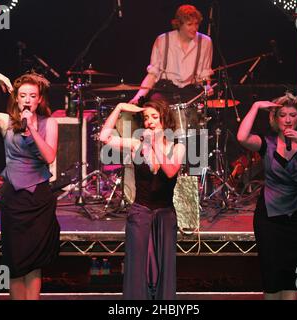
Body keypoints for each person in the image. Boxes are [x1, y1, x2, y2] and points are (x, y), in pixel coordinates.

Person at [0, 72, 60, 300]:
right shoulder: (4, 121)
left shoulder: (50, 123)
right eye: (23, 95)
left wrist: (32, 130)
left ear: (39, 99)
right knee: (16, 261)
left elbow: (49, 157)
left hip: (39, 198)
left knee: (34, 262)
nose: (27, 99)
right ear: (16, 98)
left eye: (32, 95)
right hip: (14, 199)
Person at [236, 92, 297, 300]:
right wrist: (256, 105)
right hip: (270, 215)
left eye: (292, 115)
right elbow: (242, 137)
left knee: (296, 271)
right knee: (272, 269)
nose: (287, 119)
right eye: (282, 115)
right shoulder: (266, 142)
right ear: (276, 119)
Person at [99, 99, 185, 299]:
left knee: (164, 268)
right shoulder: (136, 145)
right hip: (140, 212)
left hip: (165, 216)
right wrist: (119, 108)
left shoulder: (177, 148)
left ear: (165, 120)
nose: (150, 122)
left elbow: (170, 171)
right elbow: (104, 137)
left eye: (155, 117)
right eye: (146, 118)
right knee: (138, 268)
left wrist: (155, 144)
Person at [129, 4, 213, 105]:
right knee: (156, 103)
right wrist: (138, 97)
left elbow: (204, 75)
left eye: (196, 24)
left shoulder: (205, 42)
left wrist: (207, 87)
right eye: (190, 24)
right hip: (165, 90)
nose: (194, 28)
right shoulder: (163, 40)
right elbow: (152, 74)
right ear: (179, 24)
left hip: (190, 91)